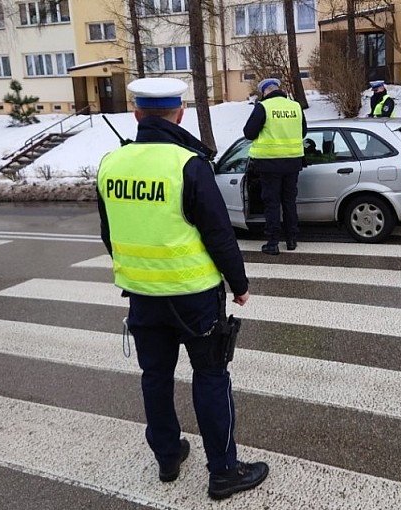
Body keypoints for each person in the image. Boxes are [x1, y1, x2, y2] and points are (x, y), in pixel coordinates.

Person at [96, 77, 268, 501]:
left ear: (136, 114)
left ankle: (168, 456)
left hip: (141, 295)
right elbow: (218, 232)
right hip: (193, 296)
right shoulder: (189, 164)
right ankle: (224, 472)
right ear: (180, 113)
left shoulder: (110, 164)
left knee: (155, 376)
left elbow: (108, 234)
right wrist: (239, 283)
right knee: (211, 376)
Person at [243, 78, 307, 255]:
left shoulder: (263, 107)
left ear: (264, 92)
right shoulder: (295, 106)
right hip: (293, 162)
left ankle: (272, 243)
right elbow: (303, 132)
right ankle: (292, 239)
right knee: (289, 201)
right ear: (279, 89)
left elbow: (248, 133)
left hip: (269, 164)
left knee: (272, 203)